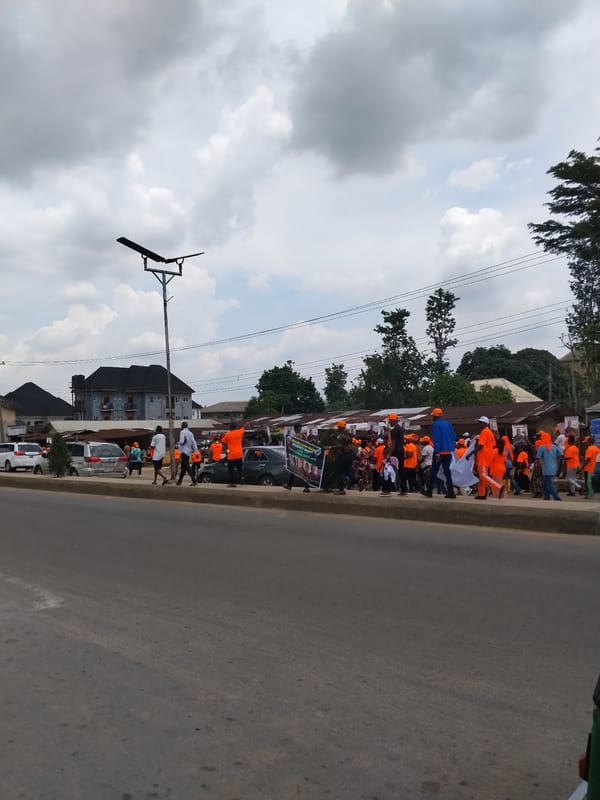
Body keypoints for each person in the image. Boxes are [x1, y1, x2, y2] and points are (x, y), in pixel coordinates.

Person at [423, 407, 456, 499]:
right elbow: (453, 436)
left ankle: (429, 491)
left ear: (434, 416)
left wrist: (437, 452)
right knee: (447, 472)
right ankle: (451, 492)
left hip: (440, 452)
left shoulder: (436, 425)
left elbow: (437, 439)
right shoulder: (448, 424)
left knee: (434, 471)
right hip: (448, 452)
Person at [472, 416, 503, 500]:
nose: (478, 424)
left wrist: (471, 452)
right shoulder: (489, 432)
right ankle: (482, 494)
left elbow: (481, 445)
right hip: (486, 457)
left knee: (483, 475)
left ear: (484, 424)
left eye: (480, 423)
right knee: (481, 477)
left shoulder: (484, 432)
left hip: (483, 457)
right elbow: (493, 445)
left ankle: (498, 487)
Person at [283, 423, 310, 493]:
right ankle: (306, 487)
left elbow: (293, 445)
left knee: (294, 470)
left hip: (298, 456)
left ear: (296, 429)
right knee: (303, 472)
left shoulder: (296, 436)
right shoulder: (305, 436)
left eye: (295, 428)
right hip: (304, 456)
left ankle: (289, 485)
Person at [331, 420, 355, 496]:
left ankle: (341, 490)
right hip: (350, 455)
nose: (337, 428)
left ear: (341, 427)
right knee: (347, 471)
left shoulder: (342, 435)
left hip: (344, 455)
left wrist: (331, 447)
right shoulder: (348, 434)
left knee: (338, 472)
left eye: (338, 427)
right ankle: (358, 481)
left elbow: (341, 445)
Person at [536, 430, 561, 500]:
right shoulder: (554, 447)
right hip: (554, 467)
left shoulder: (541, 447)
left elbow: (538, 458)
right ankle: (546, 496)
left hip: (546, 468)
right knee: (544, 483)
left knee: (549, 483)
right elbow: (560, 455)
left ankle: (556, 496)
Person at [221, 422, 245, 487]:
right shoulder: (239, 432)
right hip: (239, 454)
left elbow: (223, 441)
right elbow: (243, 428)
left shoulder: (228, 434)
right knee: (240, 468)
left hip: (231, 455)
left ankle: (232, 483)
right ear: (235, 427)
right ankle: (242, 478)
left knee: (231, 470)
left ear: (230, 427)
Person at [386, 413, 405, 494]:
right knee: (401, 471)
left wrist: (389, 454)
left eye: (389, 420)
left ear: (392, 420)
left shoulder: (394, 430)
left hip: (395, 452)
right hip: (401, 451)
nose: (389, 422)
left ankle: (388, 489)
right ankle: (404, 490)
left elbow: (393, 443)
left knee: (389, 470)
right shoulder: (400, 429)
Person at [176, 421, 198, 486]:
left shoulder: (182, 432)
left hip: (183, 452)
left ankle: (194, 480)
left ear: (182, 426)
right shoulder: (190, 433)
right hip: (188, 452)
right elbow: (194, 443)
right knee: (183, 468)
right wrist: (196, 452)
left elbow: (182, 441)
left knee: (187, 467)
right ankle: (179, 481)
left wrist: (178, 443)